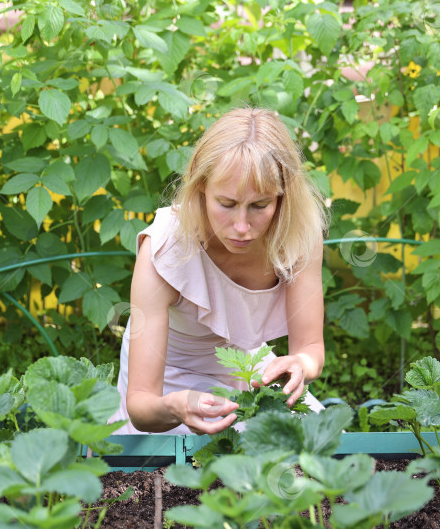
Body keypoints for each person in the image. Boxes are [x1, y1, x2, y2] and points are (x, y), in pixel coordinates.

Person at [109, 106, 329, 435]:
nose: (242, 227)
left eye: (260, 205)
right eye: (226, 204)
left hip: (248, 372)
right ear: (200, 183)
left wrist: (302, 365)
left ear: (284, 195)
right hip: (173, 386)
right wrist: (175, 406)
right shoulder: (166, 247)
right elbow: (141, 404)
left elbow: (310, 348)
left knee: (320, 438)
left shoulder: (298, 236)